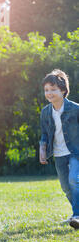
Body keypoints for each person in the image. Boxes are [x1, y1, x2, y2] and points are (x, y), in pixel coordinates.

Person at [39, 69, 79, 230]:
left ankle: (76, 215)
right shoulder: (45, 112)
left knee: (74, 179)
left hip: (75, 152)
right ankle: (76, 213)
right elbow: (44, 134)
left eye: (53, 89)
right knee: (65, 187)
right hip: (58, 153)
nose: (49, 93)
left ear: (63, 90)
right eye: (46, 90)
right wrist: (43, 150)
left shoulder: (75, 109)